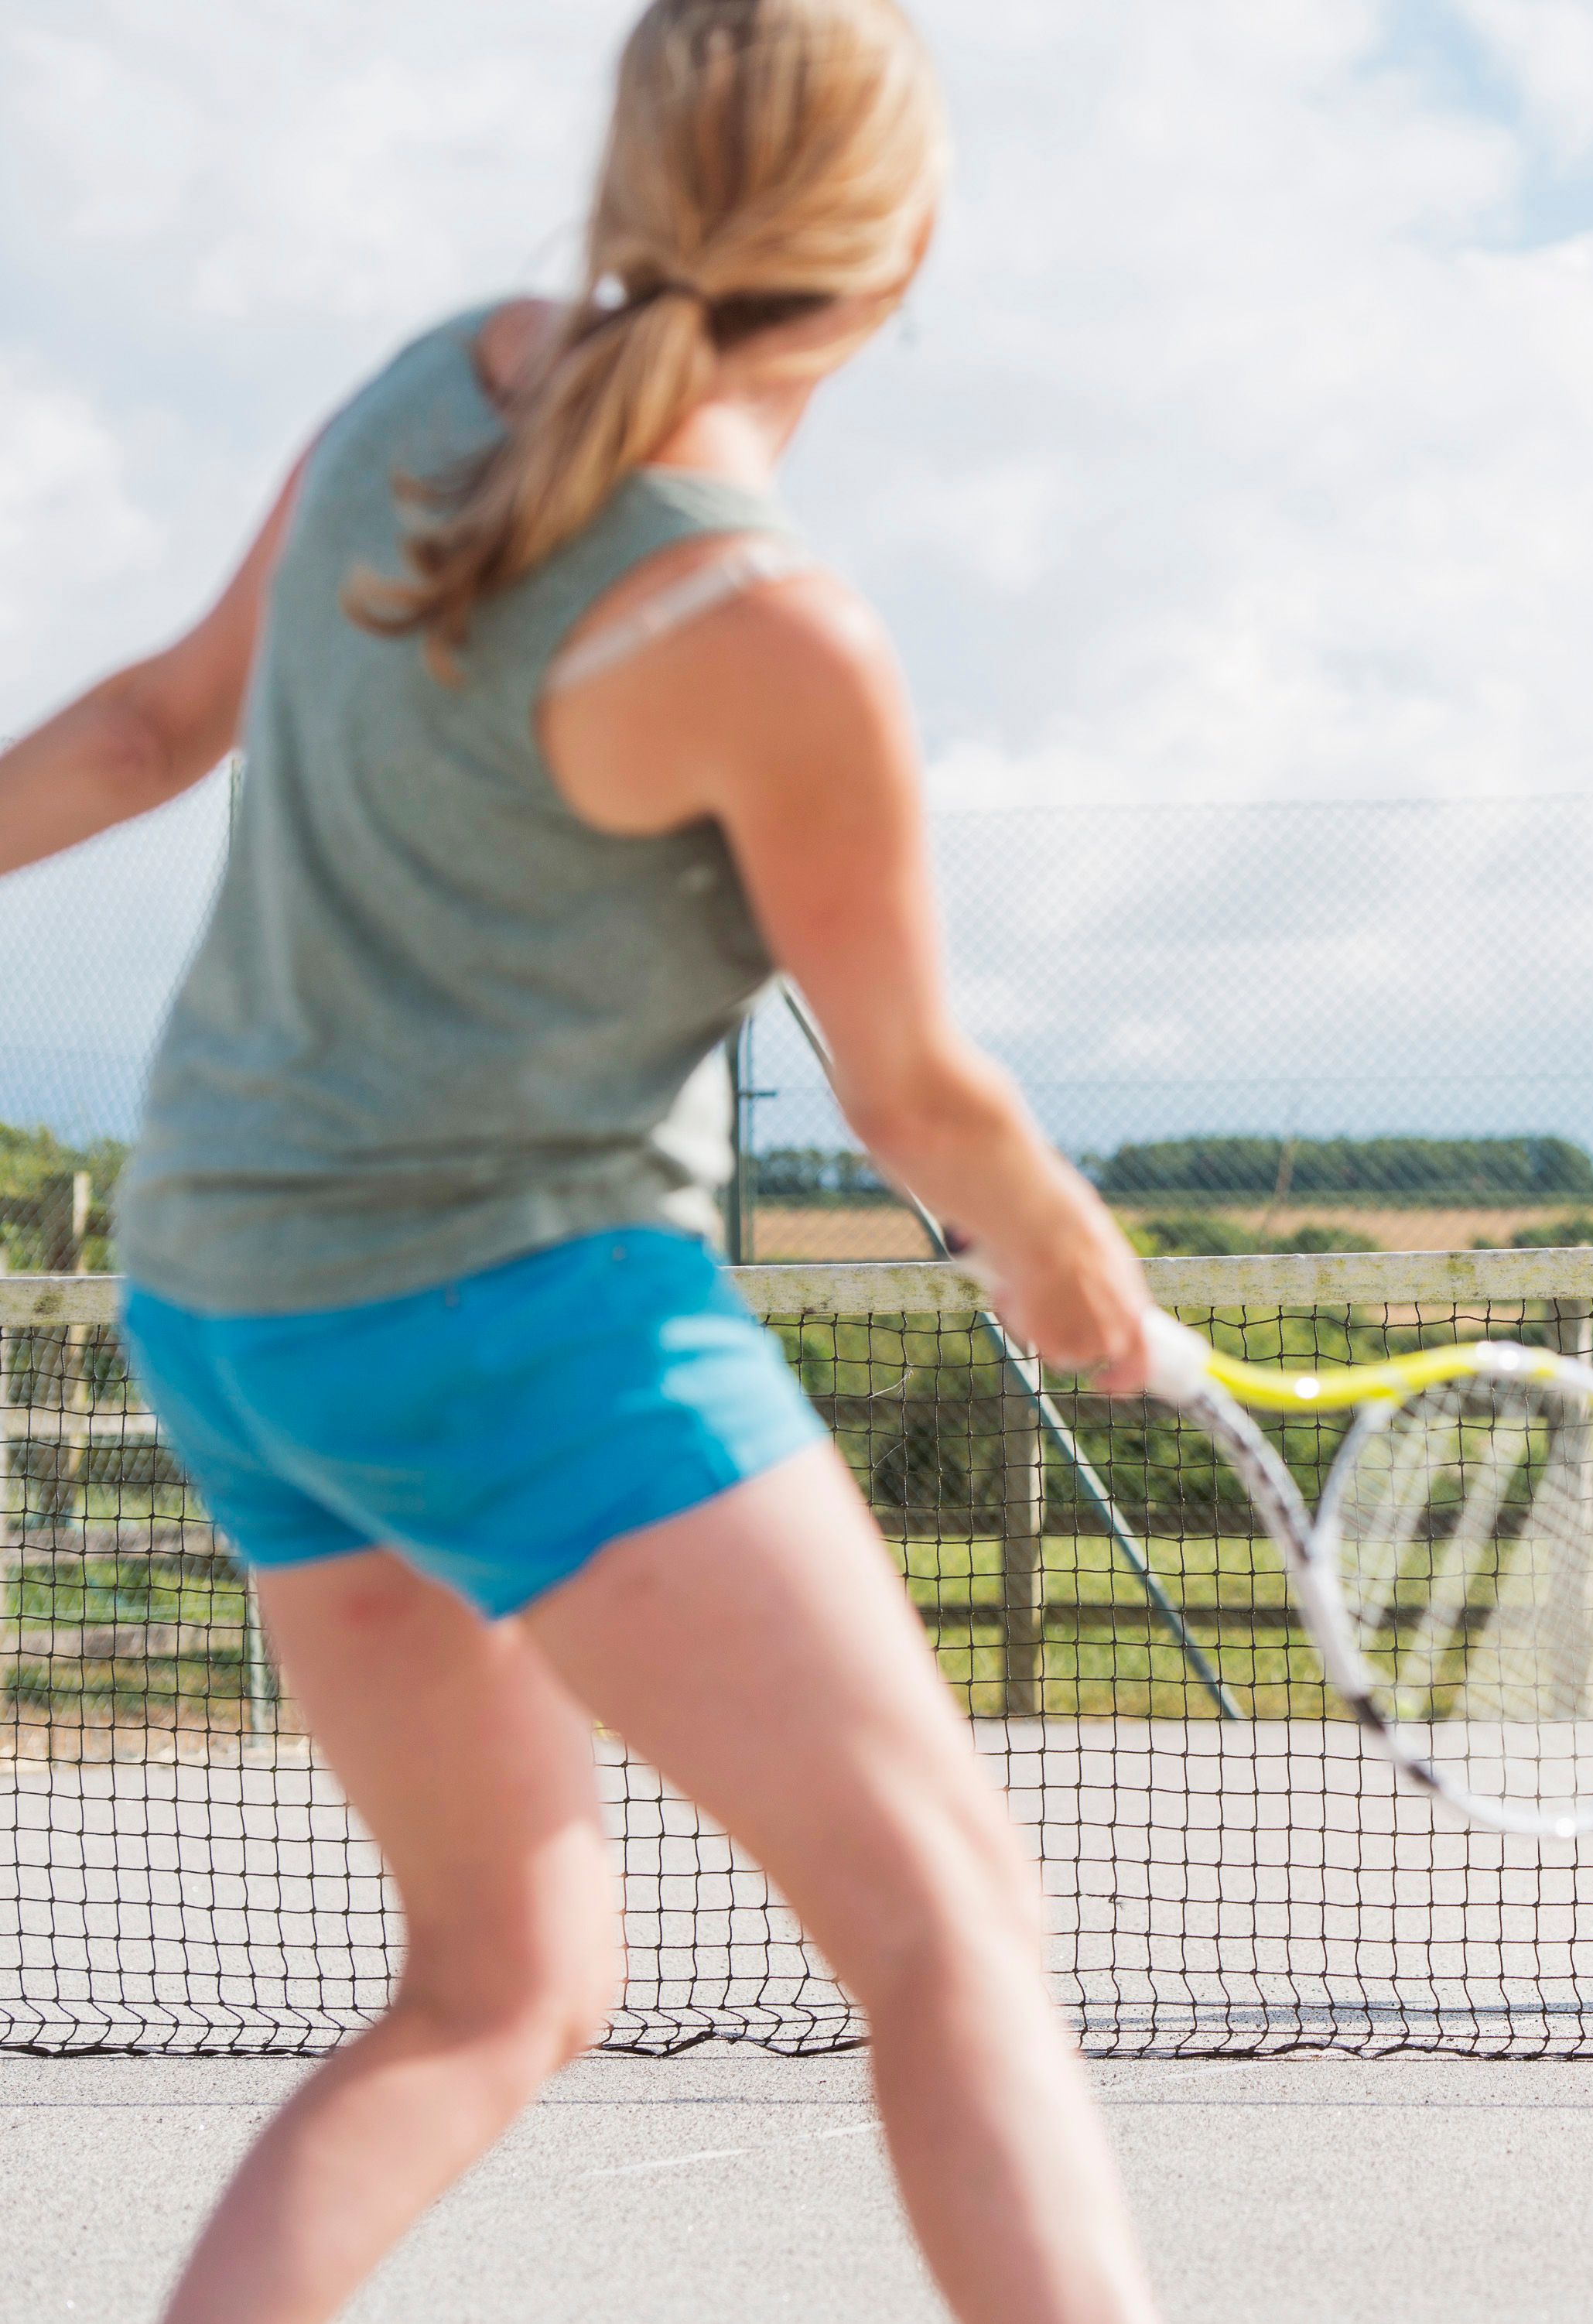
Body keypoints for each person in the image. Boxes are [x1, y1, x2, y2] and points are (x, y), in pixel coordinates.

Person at [0, 5, 1162, 2317]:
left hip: (227, 1307)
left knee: (495, 1984)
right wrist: (1067, 1254)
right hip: (518, 1317)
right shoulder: (773, 626)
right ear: (900, 236)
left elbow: (140, 721)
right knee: (949, 1920)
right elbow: (912, 1088)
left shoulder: (427, 391)